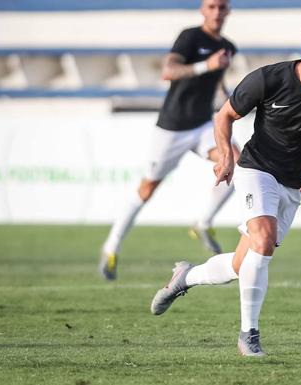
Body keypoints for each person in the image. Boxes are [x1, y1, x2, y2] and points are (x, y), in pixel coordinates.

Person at [149, 18, 301, 357]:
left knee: (241, 264)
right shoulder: (269, 78)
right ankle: (249, 336)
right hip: (257, 169)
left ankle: (185, 278)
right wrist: (226, 159)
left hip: (295, 184)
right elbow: (224, 116)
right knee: (263, 240)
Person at [99, 0, 241, 280]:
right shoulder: (189, 38)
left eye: (221, 7)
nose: (216, 12)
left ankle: (203, 222)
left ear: (228, 11)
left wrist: (229, 102)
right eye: (211, 7)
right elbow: (169, 71)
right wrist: (205, 65)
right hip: (172, 128)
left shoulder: (228, 46)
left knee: (237, 162)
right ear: (203, 10)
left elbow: (217, 81)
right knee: (148, 188)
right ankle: (111, 247)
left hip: (202, 125)